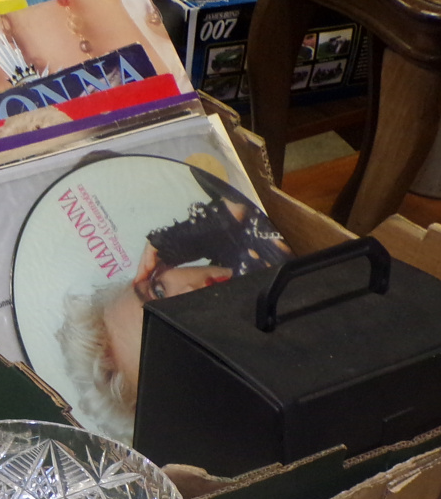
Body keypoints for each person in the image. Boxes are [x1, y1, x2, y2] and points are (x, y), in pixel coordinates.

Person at [55, 168, 288, 433]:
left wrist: (222, 218)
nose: (188, 293)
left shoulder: (229, 211)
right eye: (176, 335)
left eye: (159, 292)